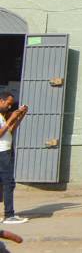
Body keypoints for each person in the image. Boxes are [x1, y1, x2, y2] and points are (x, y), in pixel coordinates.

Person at [0, 94, 27, 226]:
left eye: (11, 104)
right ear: (1, 101)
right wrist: (11, 118)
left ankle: (8, 214)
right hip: (2, 153)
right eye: (8, 103)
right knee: (8, 183)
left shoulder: (1, 116)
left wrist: (20, 116)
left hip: (6, 151)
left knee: (4, 183)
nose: (9, 107)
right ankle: (9, 215)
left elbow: (9, 131)